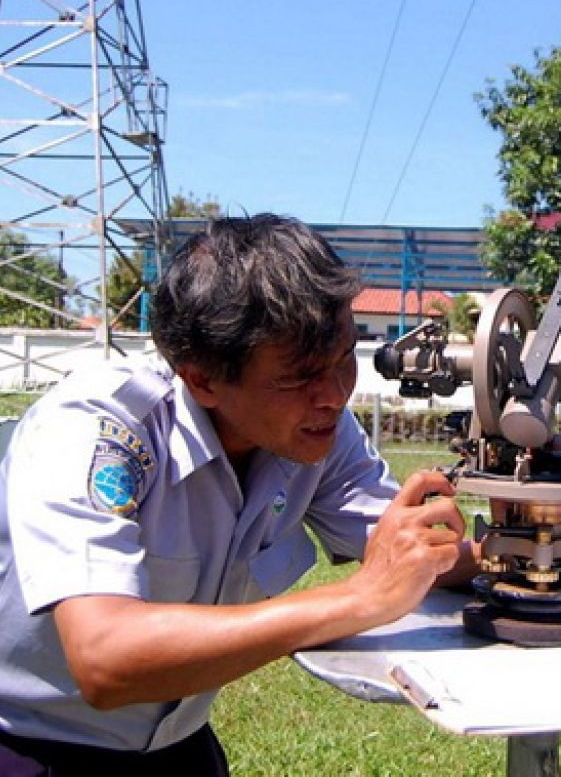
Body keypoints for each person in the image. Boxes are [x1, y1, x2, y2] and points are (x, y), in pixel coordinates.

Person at [0, 214, 477, 775]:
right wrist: (359, 599)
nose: (333, 395)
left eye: (344, 357)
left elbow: (412, 557)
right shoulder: (99, 430)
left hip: (180, 748)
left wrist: (537, 552)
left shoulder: (314, 428)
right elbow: (107, 659)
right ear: (200, 378)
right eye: (297, 376)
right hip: (31, 749)